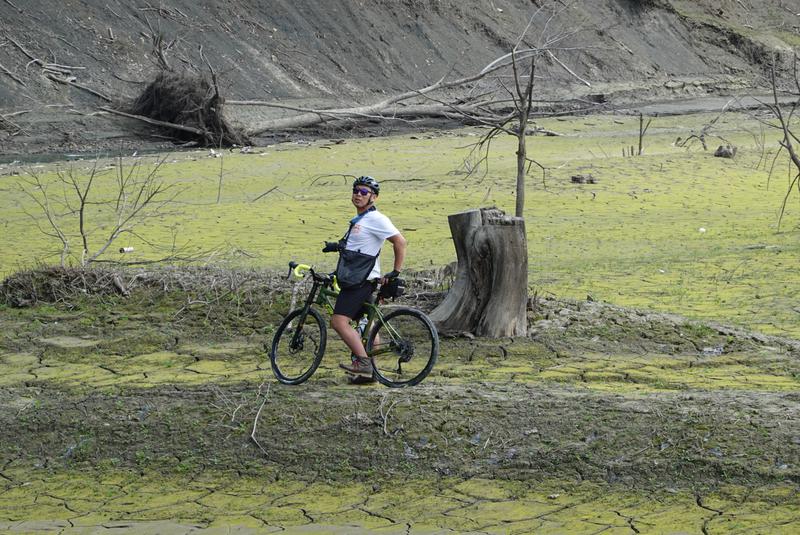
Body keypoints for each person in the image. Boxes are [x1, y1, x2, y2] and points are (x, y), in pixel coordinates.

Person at [329, 175, 406, 382]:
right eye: (356, 191)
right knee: (369, 324)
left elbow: (400, 242)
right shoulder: (361, 220)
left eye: (364, 192)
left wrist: (395, 272)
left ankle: (363, 363)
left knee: (338, 322)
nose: (358, 195)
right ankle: (370, 371)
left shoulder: (376, 219)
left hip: (360, 281)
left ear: (374, 197)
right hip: (359, 278)